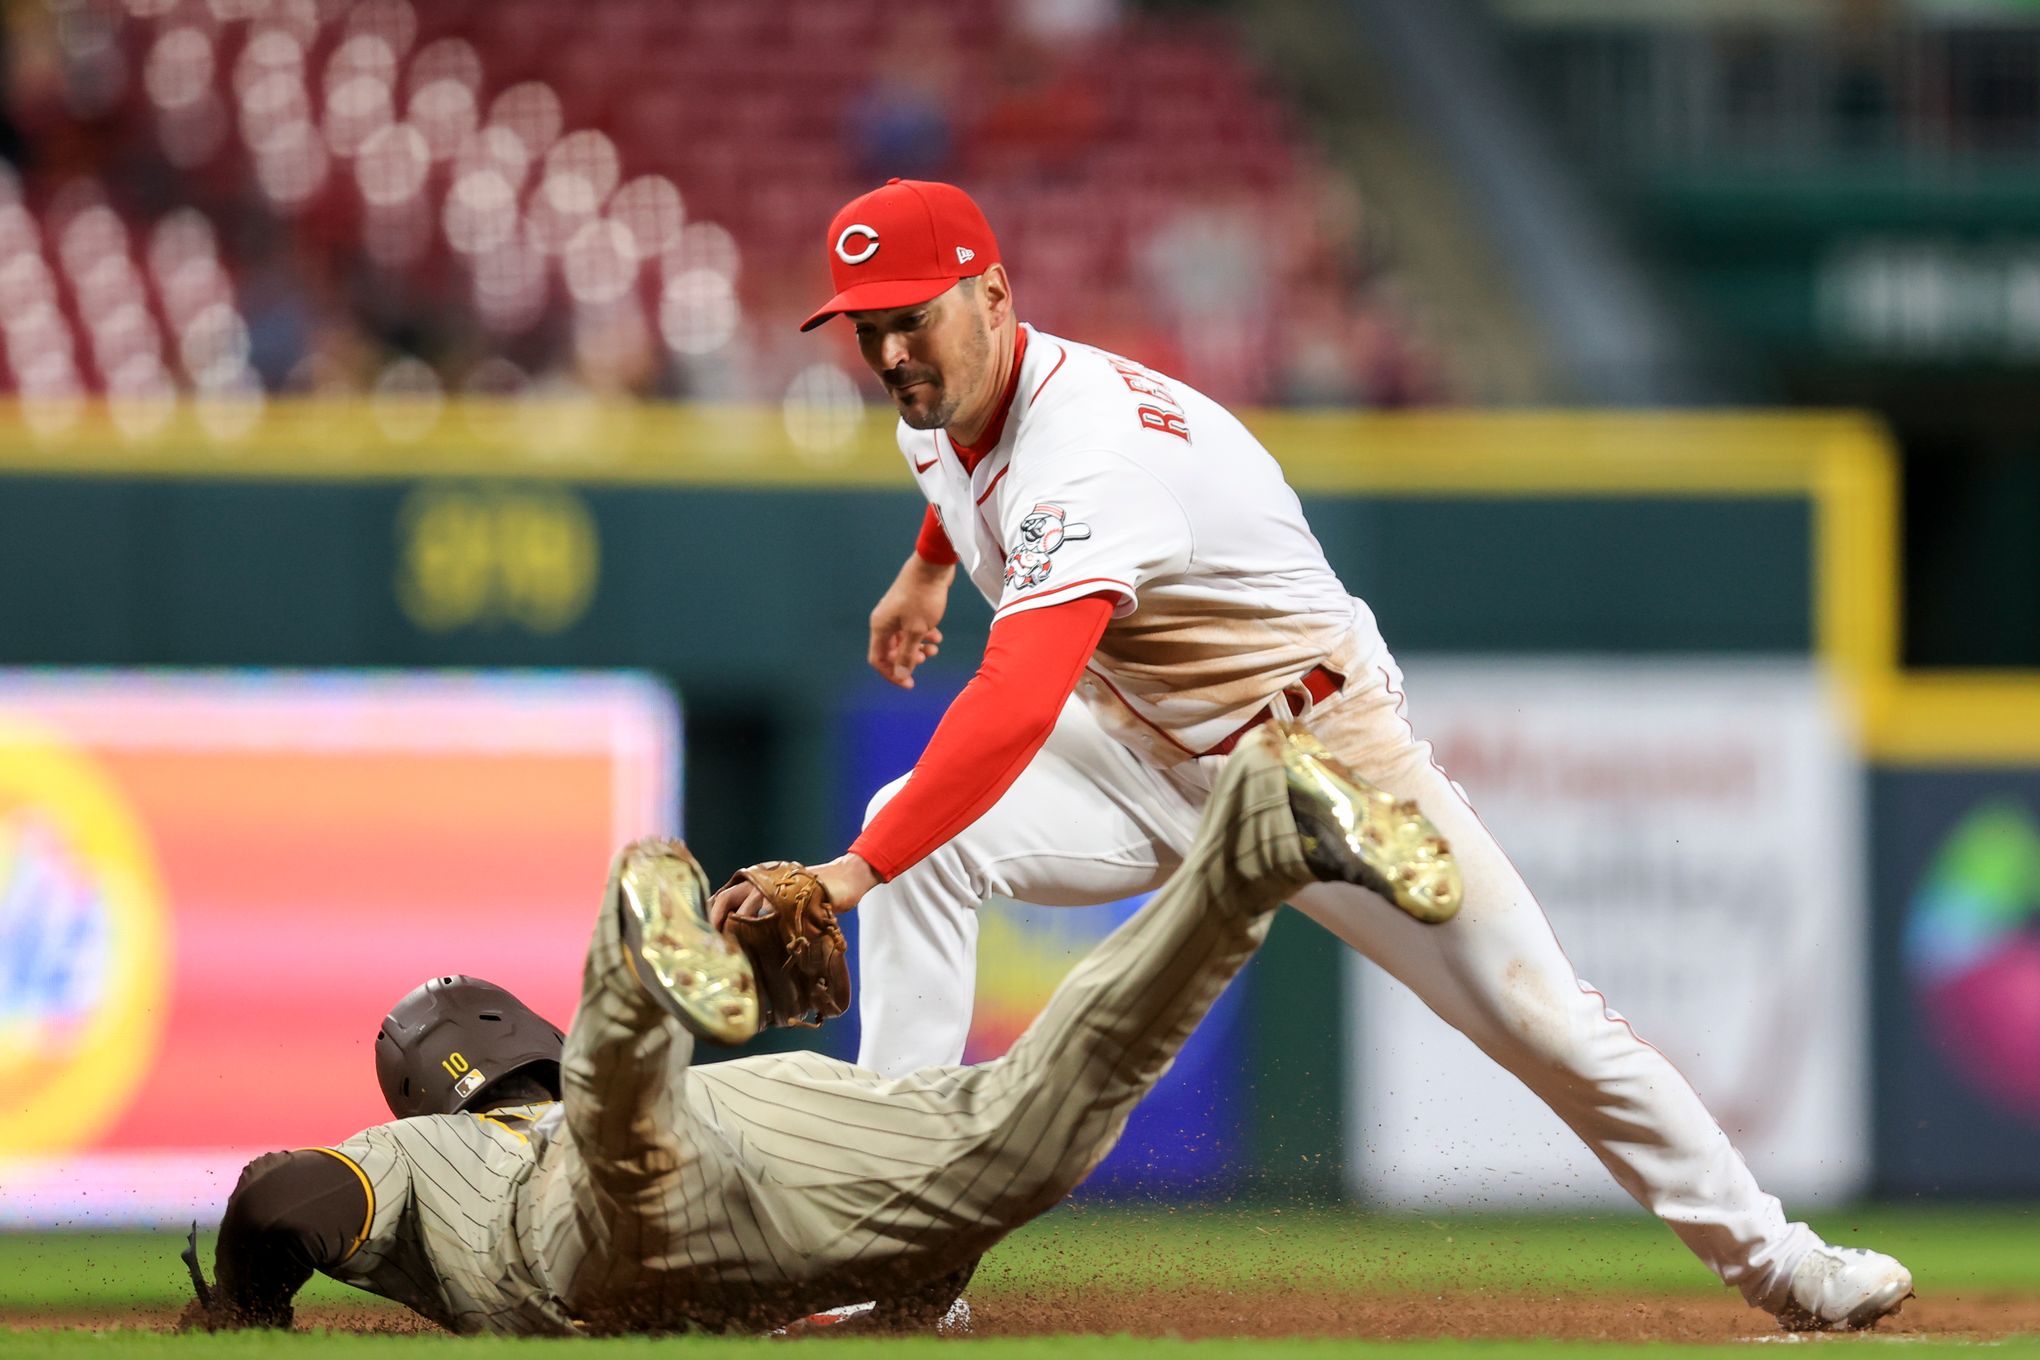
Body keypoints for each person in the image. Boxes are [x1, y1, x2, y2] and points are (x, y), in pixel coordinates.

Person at [763, 177, 1913, 1331]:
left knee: (1540, 1014)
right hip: (1145, 748)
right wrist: (923, 570)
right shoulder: (948, 404)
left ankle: (1782, 1263)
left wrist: (845, 875)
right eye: (872, 324)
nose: (896, 346)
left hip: (1319, 763)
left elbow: (1013, 699)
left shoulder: (1084, 456)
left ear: (997, 294)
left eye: (918, 312)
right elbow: (958, 479)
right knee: (914, 829)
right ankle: (898, 1254)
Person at [179, 722, 1437, 1336]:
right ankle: (1257, 846)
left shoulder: (421, 1151)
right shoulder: (544, 1101)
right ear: (525, 1035)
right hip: (789, 1117)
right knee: (1033, 1125)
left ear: (417, 1091)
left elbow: (284, 1194)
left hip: (583, 1208)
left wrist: (242, 1304)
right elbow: (908, 1265)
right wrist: (913, 1256)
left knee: (626, 1153)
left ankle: (645, 961)